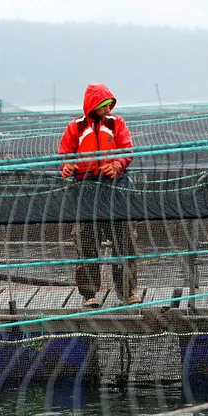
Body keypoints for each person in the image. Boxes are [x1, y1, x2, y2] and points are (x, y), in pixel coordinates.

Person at [59, 83, 141, 308]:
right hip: (85, 190)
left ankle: (128, 292)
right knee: (85, 241)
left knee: (124, 240)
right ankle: (89, 294)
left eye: (109, 105)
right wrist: (67, 167)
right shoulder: (75, 127)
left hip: (116, 189)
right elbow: (65, 155)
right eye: (104, 106)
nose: (108, 110)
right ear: (93, 105)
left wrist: (116, 164)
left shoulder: (117, 123)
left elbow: (126, 151)